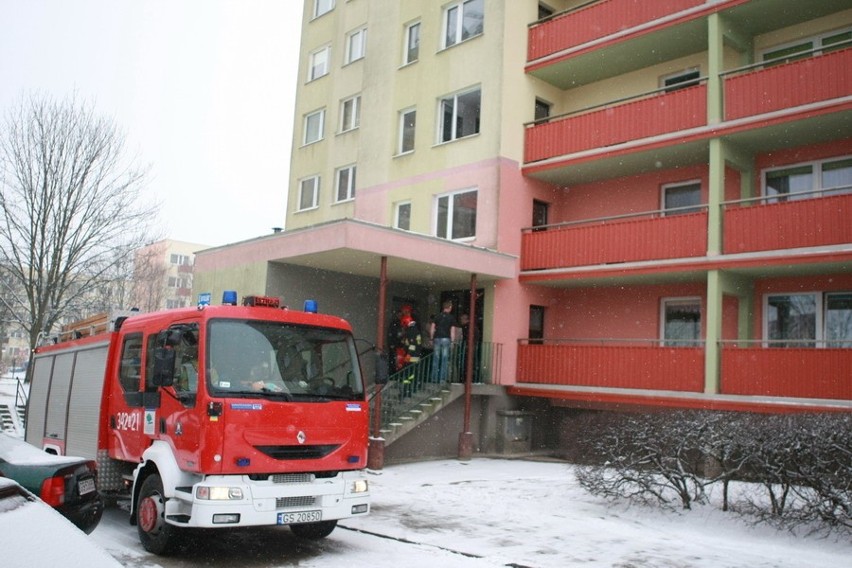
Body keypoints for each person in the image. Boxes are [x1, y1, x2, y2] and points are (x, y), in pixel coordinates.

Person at [429, 300, 457, 383]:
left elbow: (432, 328)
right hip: (446, 339)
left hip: (437, 338)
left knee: (436, 358)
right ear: (450, 307)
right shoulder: (451, 318)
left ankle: (434, 378)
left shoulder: (437, 316)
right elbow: (452, 331)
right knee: (444, 359)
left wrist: (431, 338)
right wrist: (452, 341)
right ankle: (442, 379)